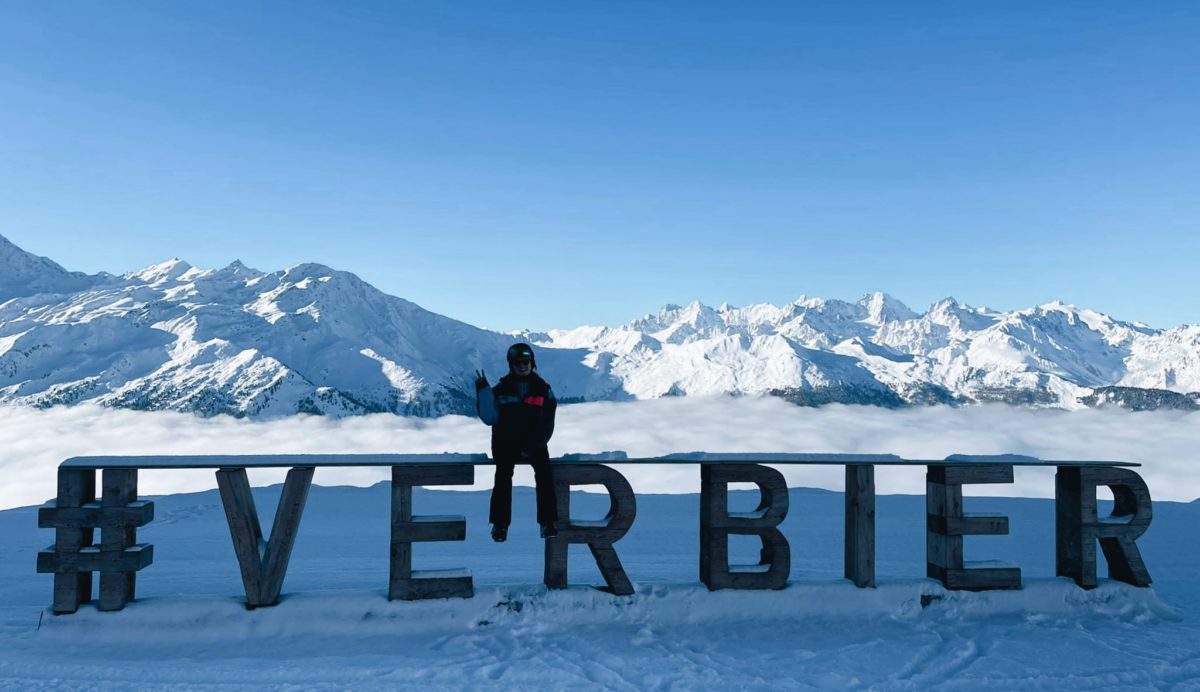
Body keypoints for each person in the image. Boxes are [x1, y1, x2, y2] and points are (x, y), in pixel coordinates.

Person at [475, 343, 559, 542]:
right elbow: (489, 418)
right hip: (506, 443)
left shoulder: (543, 390)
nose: (522, 366)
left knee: (545, 476)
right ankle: (500, 525)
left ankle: (548, 523)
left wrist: (532, 446)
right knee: (503, 478)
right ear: (510, 365)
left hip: (536, 443)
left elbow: (548, 423)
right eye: (517, 362)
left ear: (532, 363)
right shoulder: (500, 390)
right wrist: (483, 391)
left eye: (525, 361)